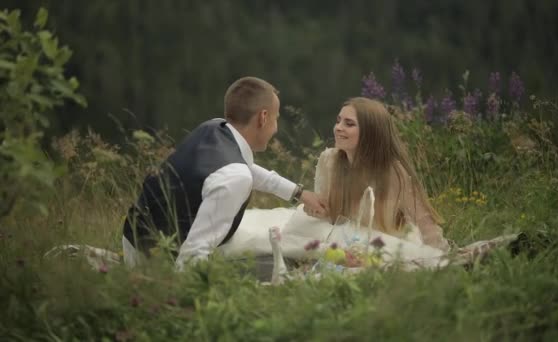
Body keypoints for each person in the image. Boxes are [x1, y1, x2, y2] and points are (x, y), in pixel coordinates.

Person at [121, 76, 327, 268]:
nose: (275, 128)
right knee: (267, 265)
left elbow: (244, 168)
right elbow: (193, 253)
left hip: (134, 239)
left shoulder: (214, 128)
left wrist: (299, 193)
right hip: (153, 261)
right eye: (276, 118)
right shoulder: (236, 177)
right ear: (263, 118)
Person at [306, 97, 450, 251]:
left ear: (370, 132)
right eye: (338, 121)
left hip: (385, 243)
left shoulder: (392, 171)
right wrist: (315, 210)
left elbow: (422, 219)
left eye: (349, 124)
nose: (338, 128)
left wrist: (441, 254)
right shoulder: (329, 160)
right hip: (345, 238)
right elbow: (327, 214)